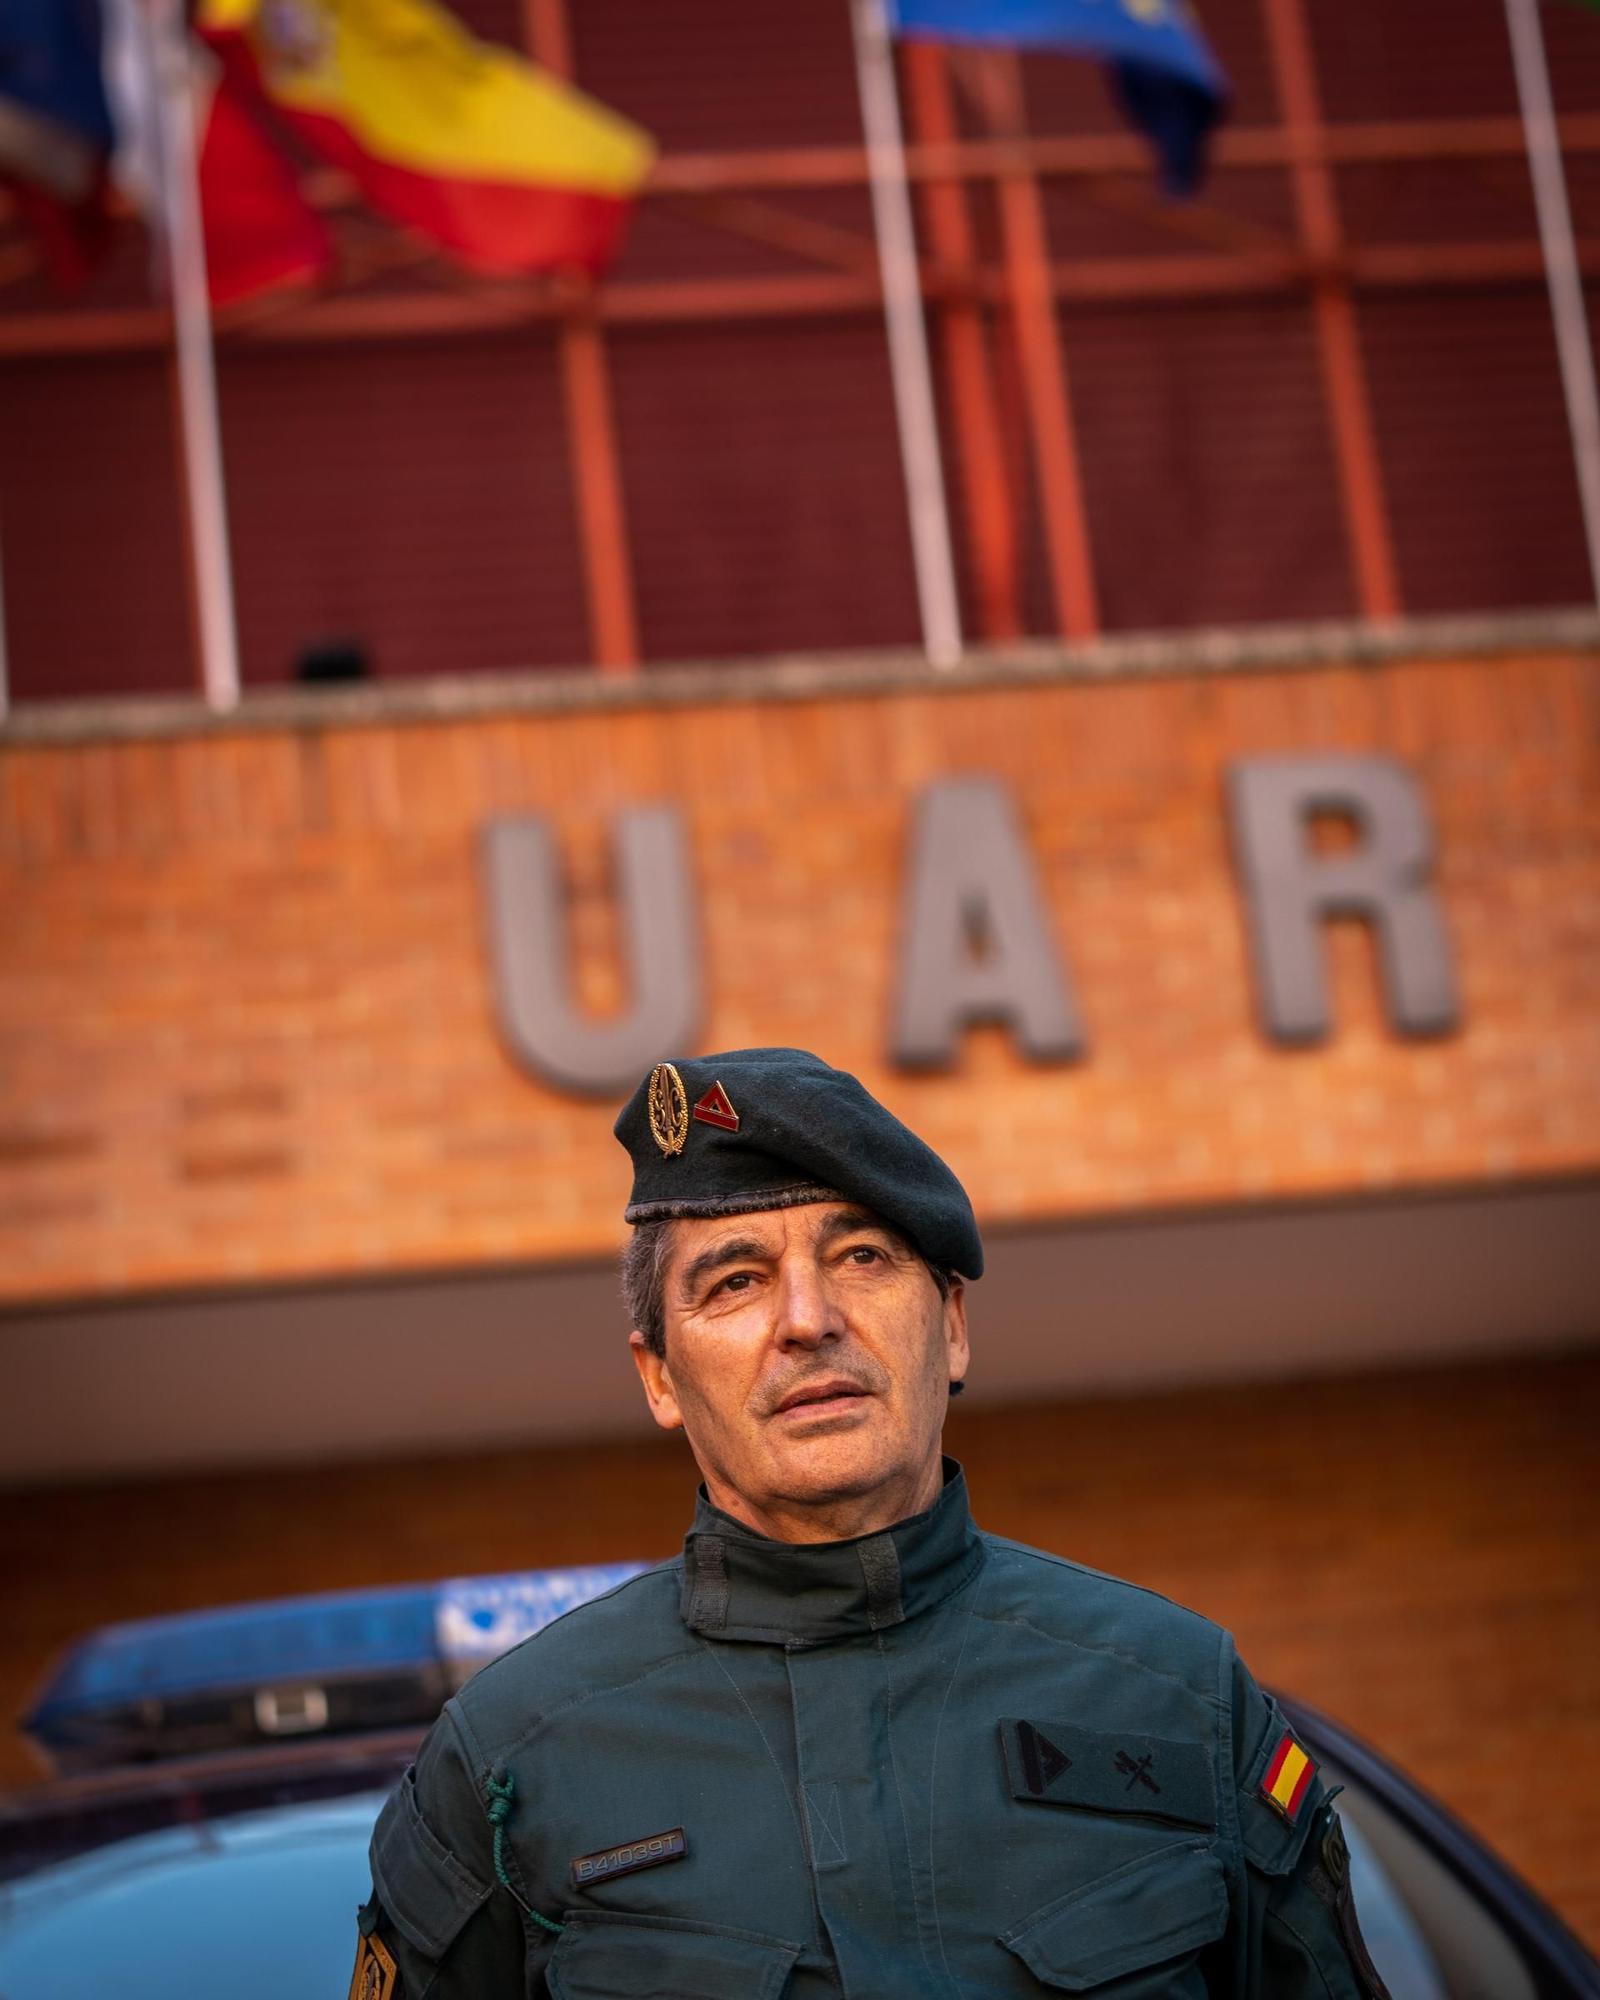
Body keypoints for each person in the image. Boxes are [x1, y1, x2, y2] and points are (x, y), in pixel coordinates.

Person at [350, 1048, 1390, 1999]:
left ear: (952, 1326)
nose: (807, 1317)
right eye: (737, 1280)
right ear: (660, 1376)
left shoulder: (1180, 1697)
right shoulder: (510, 1760)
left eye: (862, 1257)